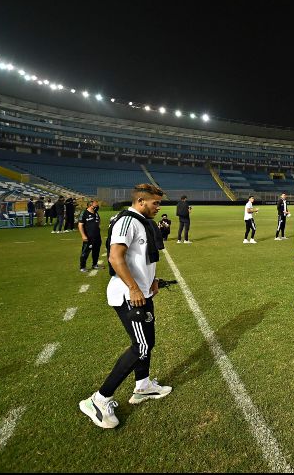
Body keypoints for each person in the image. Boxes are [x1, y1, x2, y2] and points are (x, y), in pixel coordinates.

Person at [79, 184, 171, 429]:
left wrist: (151, 280)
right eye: (155, 203)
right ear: (141, 201)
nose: (158, 207)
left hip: (141, 293)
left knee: (147, 342)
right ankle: (99, 399)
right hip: (129, 295)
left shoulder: (140, 220)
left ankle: (143, 386)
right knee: (141, 345)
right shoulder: (127, 222)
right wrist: (133, 288)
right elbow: (115, 257)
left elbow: (142, 256)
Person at [78, 200, 102, 272]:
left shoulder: (96, 213)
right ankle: (82, 267)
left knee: (96, 251)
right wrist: (83, 235)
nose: (97, 206)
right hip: (88, 237)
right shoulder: (84, 213)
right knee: (85, 252)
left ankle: (95, 264)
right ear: (90, 205)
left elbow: (99, 221)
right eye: (96, 204)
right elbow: (80, 225)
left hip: (97, 236)